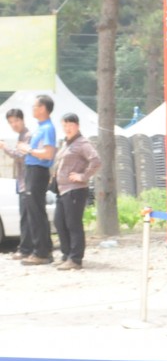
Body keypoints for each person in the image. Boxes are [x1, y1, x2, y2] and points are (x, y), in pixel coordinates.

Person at [52, 113, 100, 271]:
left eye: (70, 125)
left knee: (73, 224)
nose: (67, 128)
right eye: (65, 125)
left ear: (77, 126)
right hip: (62, 190)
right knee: (60, 222)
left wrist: (83, 176)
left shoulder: (82, 143)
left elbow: (96, 160)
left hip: (75, 190)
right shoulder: (66, 143)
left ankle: (75, 258)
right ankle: (66, 255)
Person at [17, 95, 55, 265]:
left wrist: (29, 149)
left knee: (36, 212)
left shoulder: (47, 128)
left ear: (43, 108)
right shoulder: (40, 127)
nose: (32, 109)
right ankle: (45, 249)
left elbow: (48, 153)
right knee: (35, 211)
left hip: (38, 171)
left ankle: (41, 252)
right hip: (32, 170)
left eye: (35, 106)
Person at [0, 108, 33, 260]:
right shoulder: (21, 136)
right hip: (22, 182)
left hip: (28, 182)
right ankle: (27, 248)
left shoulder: (28, 136)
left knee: (27, 218)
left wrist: (4, 147)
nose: (14, 124)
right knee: (25, 217)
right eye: (11, 122)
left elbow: (20, 156)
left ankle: (26, 249)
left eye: (16, 121)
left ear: (22, 119)